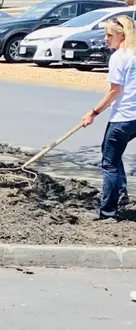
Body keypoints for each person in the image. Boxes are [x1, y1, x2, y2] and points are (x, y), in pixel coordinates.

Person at [81, 13, 136, 220]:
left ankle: (108, 212)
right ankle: (121, 193)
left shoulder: (119, 57)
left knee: (109, 162)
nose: (105, 39)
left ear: (121, 35)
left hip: (124, 117)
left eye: (108, 35)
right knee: (111, 152)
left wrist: (93, 112)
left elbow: (115, 91)